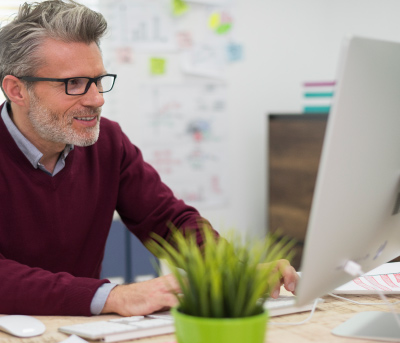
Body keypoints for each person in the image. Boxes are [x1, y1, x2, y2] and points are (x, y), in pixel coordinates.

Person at [0, 0, 298, 317]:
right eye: (74, 84)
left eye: (99, 80)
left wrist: (235, 273)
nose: (97, 99)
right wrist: (112, 296)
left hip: (80, 333)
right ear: (17, 90)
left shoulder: (108, 142)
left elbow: (168, 221)